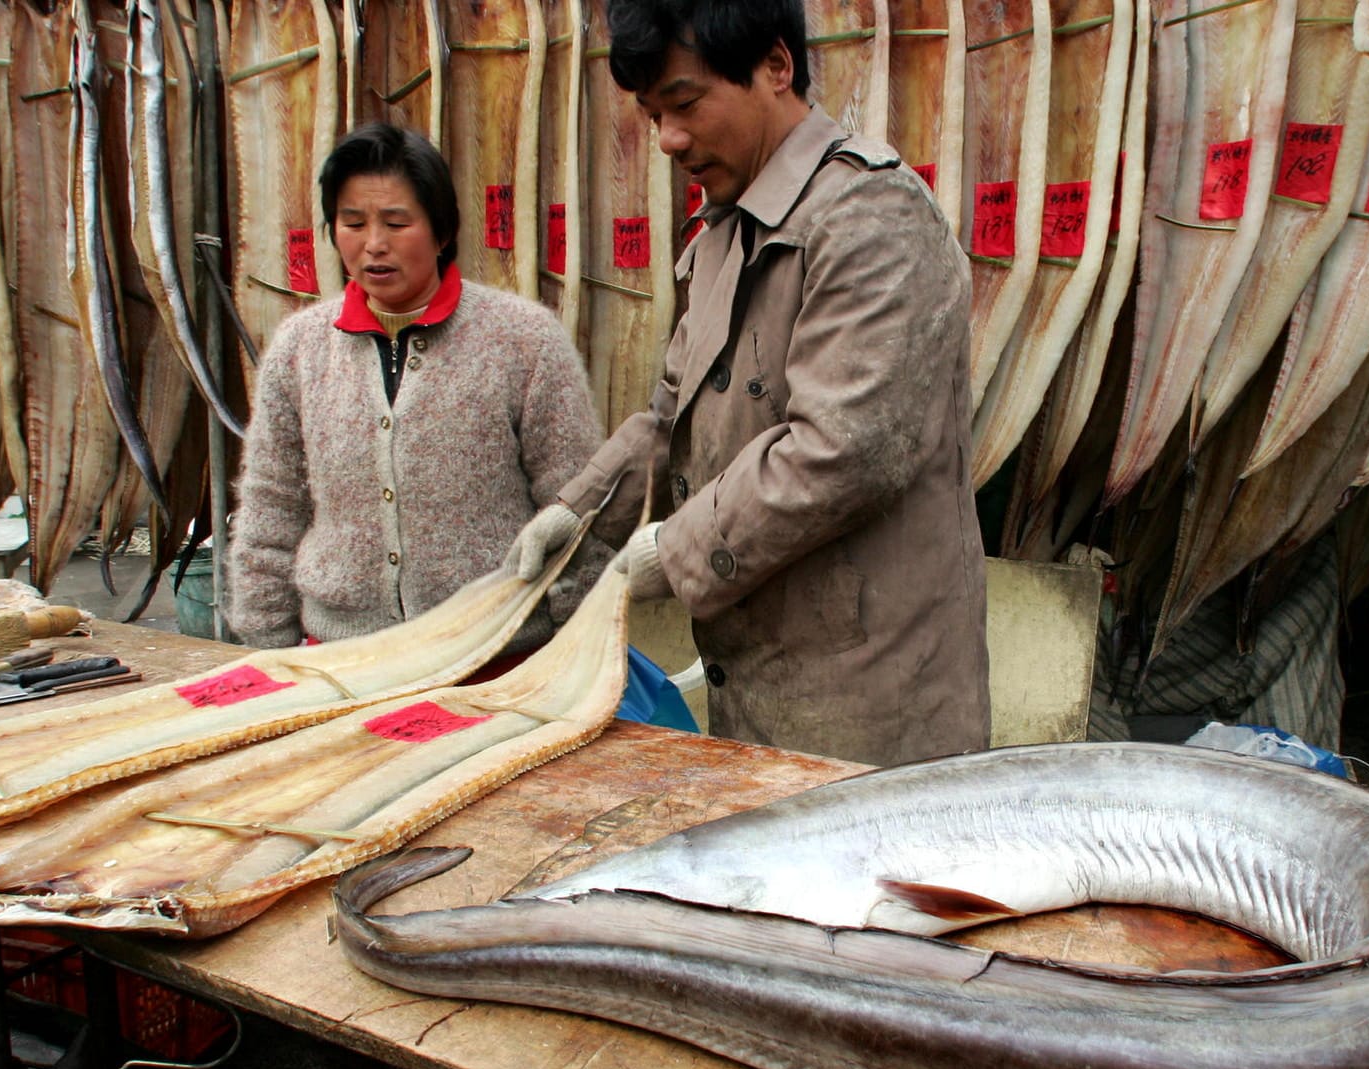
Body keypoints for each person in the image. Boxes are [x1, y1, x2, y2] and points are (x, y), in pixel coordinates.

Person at [507, 0, 990, 766]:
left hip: (866, 713)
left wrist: (671, 550)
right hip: (757, 691)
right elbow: (674, 418)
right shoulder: (726, 233)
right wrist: (580, 513)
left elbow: (843, 451)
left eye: (686, 104)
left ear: (775, 66)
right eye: (651, 113)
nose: (667, 139)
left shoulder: (870, 218)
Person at [229, 124, 604, 651]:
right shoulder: (299, 350)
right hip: (342, 662)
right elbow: (272, 508)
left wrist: (576, 649)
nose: (374, 245)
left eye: (397, 222)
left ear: (442, 230)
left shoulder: (523, 341)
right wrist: (270, 650)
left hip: (496, 659)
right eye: (352, 223)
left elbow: (577, 508)